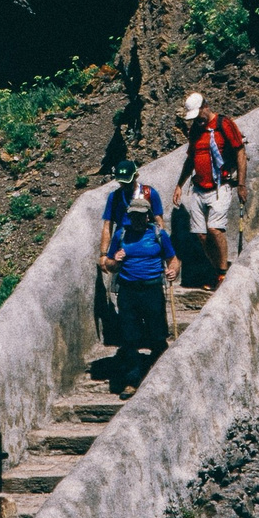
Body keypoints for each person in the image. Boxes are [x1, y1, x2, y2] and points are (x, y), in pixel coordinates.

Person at [99, 152, 170, 397]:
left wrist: (159, 247)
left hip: (148, 266)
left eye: (128, 180)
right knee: (129, 331)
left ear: (136, 176)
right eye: (122, 181)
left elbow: (159, 221)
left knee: (156, 329)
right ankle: (132, 376)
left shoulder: (150, 194)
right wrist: (104, 255)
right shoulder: (115, 197)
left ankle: (158, 370)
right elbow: (108, 225)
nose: (125, 185)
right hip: (125, 252)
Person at [177, 90, 245, 280]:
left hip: (219, 186)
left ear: (205, 107)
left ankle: (223, 274)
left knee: (215, 229)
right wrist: (179, 184)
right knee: (201, 234)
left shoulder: (224, 124)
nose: (197, 120)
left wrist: (241, 184)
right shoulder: (195, 131)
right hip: (199, 187)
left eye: (199, 116)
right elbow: (191, 160)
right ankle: (218, 270)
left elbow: (240, 152)